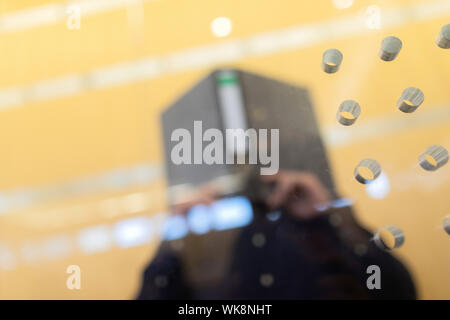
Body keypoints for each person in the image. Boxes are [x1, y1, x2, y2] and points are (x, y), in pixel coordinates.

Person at [137, 170, 416, 299]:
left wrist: (323, 218)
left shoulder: (312, 229)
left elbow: (398, 291)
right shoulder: (202, 245)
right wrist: (176, 238)